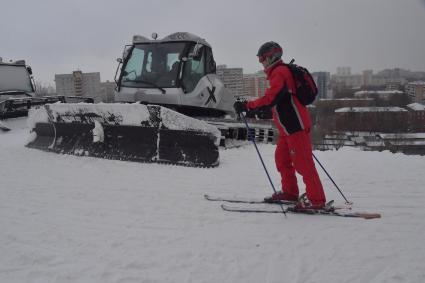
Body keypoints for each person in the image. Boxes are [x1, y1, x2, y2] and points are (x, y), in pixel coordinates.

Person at [233, 41, 326, 210]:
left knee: (304, 164)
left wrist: (247, 106)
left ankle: (316, 200)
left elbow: (270, 99)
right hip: (286, 129)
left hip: (295, 127)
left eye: (262, 59)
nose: (261, 63)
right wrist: (254, 110)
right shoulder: (278, 73)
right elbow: (278, 104)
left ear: (271, 57)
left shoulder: (280, 73)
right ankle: (290, 193)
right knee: (282, 159)